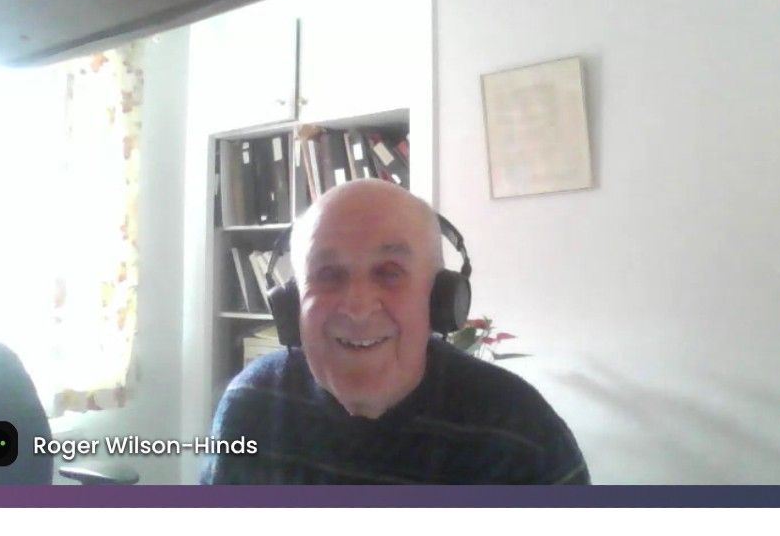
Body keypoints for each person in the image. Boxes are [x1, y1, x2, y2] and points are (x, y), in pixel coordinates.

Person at [202, 181, 588, 485]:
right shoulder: (252, 404)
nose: (356, 307)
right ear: (290, 304)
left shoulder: (520, 434)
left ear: (440, 300)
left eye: (389, 273)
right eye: (328, 275)